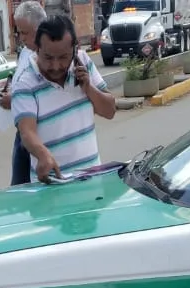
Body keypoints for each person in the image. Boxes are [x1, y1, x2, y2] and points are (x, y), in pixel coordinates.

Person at [10, 14, 116, 184]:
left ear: (75, 48)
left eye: (63, 57)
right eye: (48, 58)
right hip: (51, 187)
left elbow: (110, 111)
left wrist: (88, 88)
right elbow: (26, 131)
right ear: (36, 48)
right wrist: (43, 155)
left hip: (92, 183)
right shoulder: (25, 83)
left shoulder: (84, 64)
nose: (56, 66)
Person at [0, 0, 46, 185]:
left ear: (40, 28)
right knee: (19, 187)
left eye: (25, 32)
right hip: (22, 133)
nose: (21, 37)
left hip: (37, 133)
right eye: (18, 32)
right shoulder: (26, 52)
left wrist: (15, 99)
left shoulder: (50, 58)